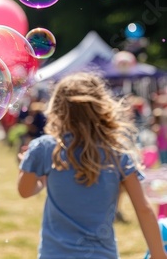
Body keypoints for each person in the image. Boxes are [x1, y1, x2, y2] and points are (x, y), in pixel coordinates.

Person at [18, 72, 167, 259]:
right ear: (101, 107)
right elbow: (143, 209)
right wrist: (158, 254)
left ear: (57, 108)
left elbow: (25, 191)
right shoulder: (117, 152)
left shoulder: (43, 148)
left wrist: (35, 170)